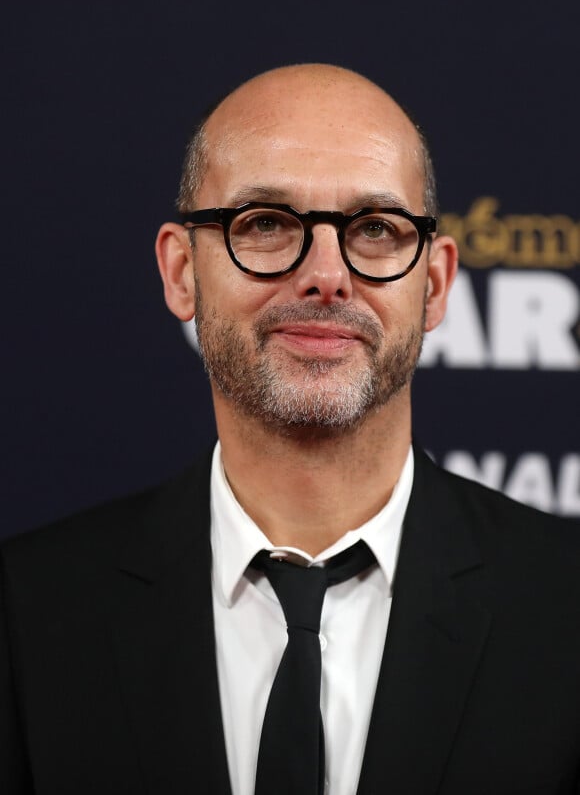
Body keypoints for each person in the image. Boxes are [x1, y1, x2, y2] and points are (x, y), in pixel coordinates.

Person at [2, 63, 580, 795]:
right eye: (267, 224)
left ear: (433, 285)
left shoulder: (567, 609)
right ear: (183, 272)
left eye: (375, 229)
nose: (327, 274)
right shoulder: (26, 613)